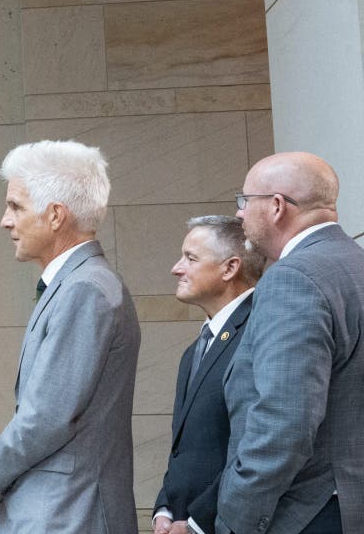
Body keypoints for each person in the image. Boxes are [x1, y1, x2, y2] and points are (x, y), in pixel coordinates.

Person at [0, 140, 140, 532]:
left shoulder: (85, 289)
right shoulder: (78, 285)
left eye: (16, 206)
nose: (5, 220)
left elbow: (45, 418)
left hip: (71, 515)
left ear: (56, 215)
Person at [215, 152, 364, 534]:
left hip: (309, 514)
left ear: (277, 206)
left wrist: (235, 516)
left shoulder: (292, 278)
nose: (239, 214)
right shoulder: (354, 265)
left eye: (244, 201)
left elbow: (285, 422)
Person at [153, 216, 262, 534]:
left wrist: (198, 521)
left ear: (229, 268)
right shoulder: (194, 351)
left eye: (190, 258)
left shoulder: (259, 333)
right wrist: (165, 507)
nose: (176, 268)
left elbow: (255, 443)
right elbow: (185, 447)